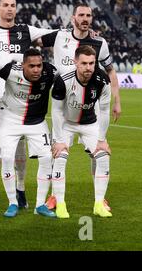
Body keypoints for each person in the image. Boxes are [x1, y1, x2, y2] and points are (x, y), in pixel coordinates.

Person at [0, 0, 54, 210]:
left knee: (20, 146)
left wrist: (82, 32)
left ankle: (20, 190)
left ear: (16, 9)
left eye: (13, 6)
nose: (9, 9)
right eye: (5, 5)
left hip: (17, 96)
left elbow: (56, 35)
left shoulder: (27, 30)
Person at [39, 3, 120, 211]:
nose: (85, 18)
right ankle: (55, 197)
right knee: (57, 154)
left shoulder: (99, 42)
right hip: (63, 107)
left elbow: (110, 72)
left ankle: (100, 198)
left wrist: (116, 100)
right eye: (81, 15)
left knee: (98, 153)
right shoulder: (60, 36)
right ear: (73, 17)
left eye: (89, 15)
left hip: (88, 109)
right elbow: (34, 40)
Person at [0, 48, 57, 218]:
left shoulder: (50, 71)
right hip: (10, 120)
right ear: (23, 65)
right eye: (32, 66)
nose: (37, 70)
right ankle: (12, 203)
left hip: (37, 122)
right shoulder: (9, 70)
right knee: (6, 158)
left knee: (46, 158)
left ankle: (40, 205)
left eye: (39, 65)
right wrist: (10, 56)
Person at [51, 45, 112, 219]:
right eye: (84, 63)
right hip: (66, 124)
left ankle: (99, 204)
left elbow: (105, 110)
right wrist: (59, 140)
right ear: (75, 62)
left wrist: (101, 140)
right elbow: (56, 111)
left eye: (92, 63)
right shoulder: (63, 79)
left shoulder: (102, 80)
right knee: (60, 158)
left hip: (90, 124)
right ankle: (60, 204)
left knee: (103, 157)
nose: (88, 67)